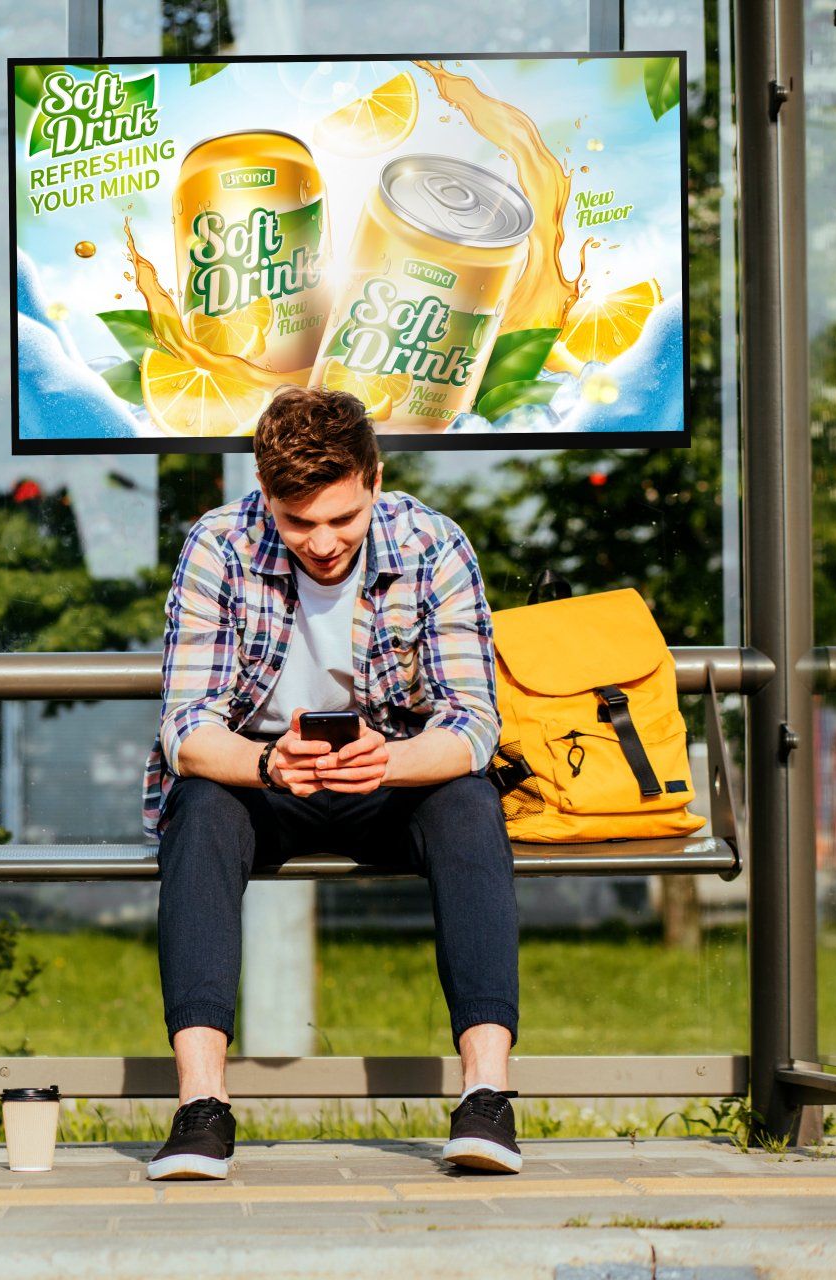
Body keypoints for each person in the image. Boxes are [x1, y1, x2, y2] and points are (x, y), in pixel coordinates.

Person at [142, 386, 522, 1180]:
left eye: (343, 521)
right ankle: (201, 1106)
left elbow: (471, 723)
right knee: (201, 809)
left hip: (392, 778)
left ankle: (487, 1096)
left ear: (375, 479)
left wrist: (388, 758)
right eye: (298, 522)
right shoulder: (220, 542)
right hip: (263, 782)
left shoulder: (432, 543)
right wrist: (266, 763)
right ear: (265, 492)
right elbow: (186, 726)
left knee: (469, 805)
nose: (321, 543)